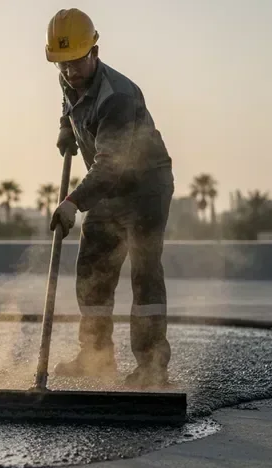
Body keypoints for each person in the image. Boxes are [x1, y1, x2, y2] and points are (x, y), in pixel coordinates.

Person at [45, 8, 174, 388]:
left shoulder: (117, 97)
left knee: (144, 275)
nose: (69, 72)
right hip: (105, 187)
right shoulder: (69, 77)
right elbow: (69, 102)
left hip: (145, 188)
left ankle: (152, 368)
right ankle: (95, 356)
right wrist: (65, 129)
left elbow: (110, 168)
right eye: (62, 64)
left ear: (95, 51)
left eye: (76, 62)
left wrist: (71, 202)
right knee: (92, 271)